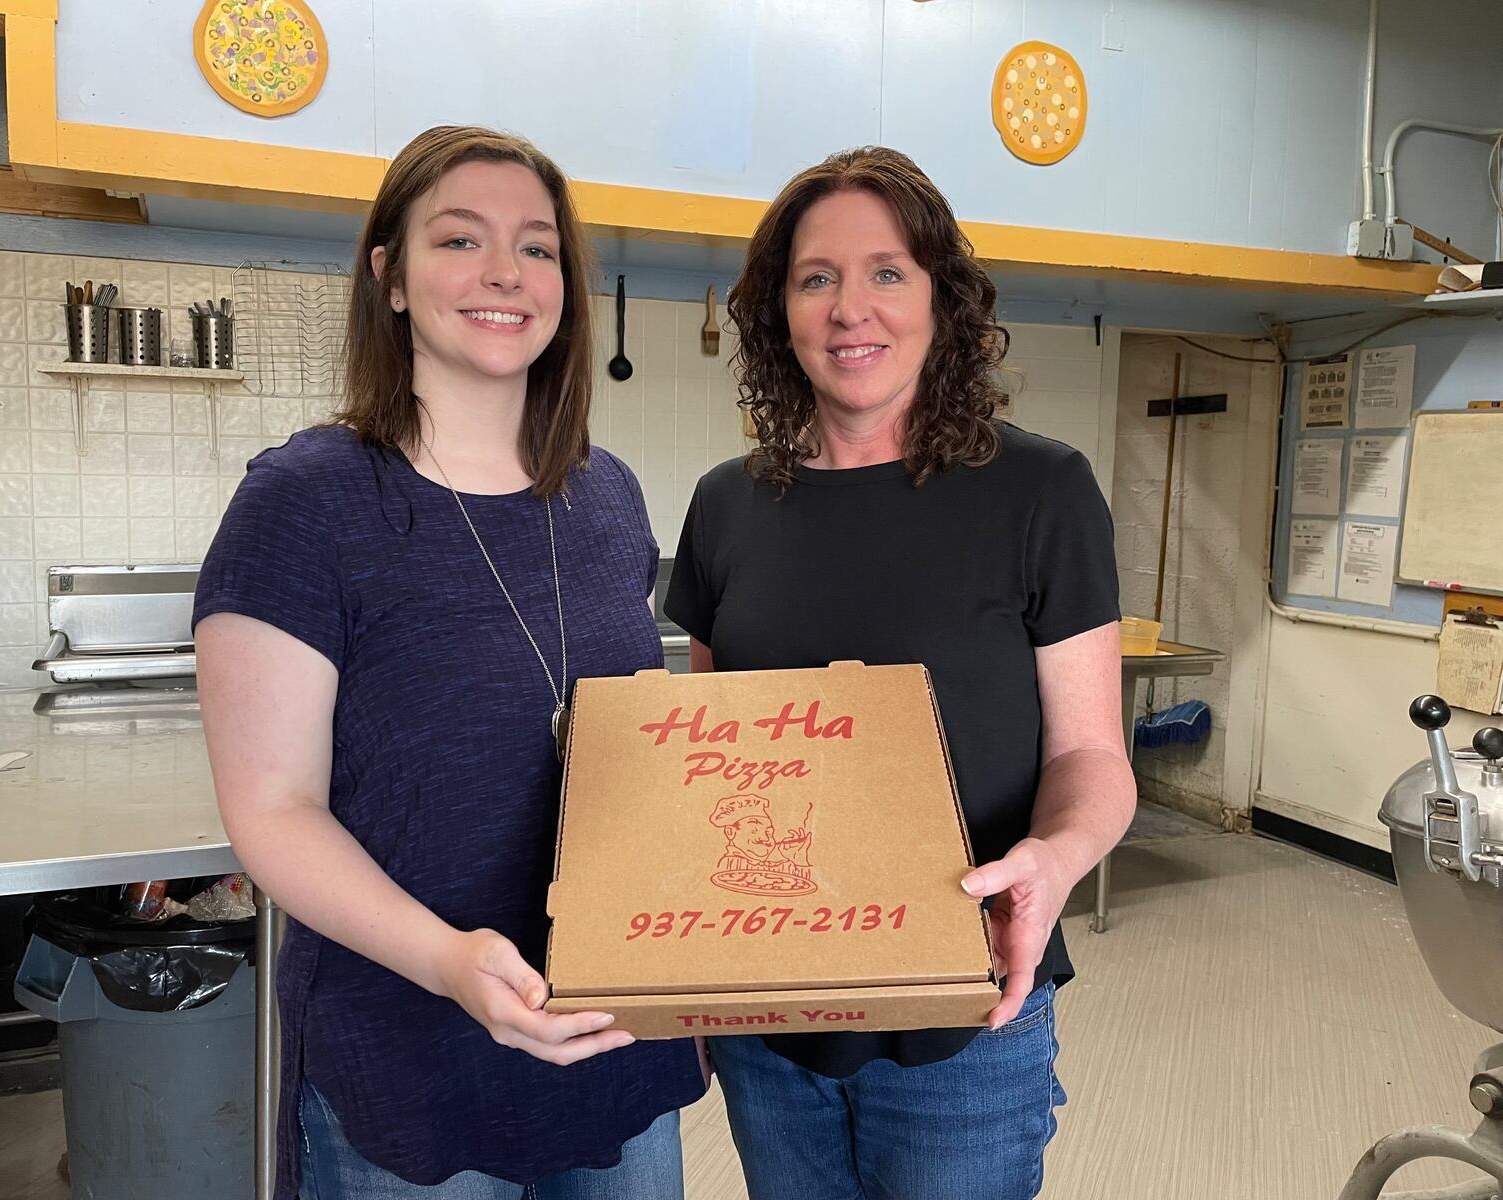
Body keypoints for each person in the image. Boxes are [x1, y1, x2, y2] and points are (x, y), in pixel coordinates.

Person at [194, 126, 706, 1200]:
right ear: (387, 275)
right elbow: (273, 811)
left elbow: (639, 762)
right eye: (459, 238)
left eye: (535, 246)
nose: (504, 274)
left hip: (612, 1038)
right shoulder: (305, 502)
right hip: (406, 1052)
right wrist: (447, 962)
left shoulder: (607, 495)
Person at [663, 145, 1137, 1200]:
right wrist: (683, 985)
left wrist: (1054, 863)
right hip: (770, 1013)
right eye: (815, 278)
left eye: (886, 272)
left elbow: (1092, 754)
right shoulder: (725, 507)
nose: (849, 309)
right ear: (778, 312)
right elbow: (707, 773)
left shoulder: (1039, 491)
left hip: (965, 1006)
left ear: (941, 301)